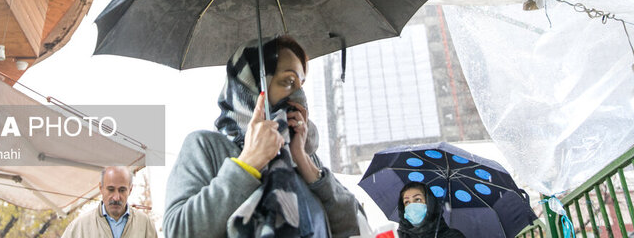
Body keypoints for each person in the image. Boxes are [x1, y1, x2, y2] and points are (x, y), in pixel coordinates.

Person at [163, 35, 361, 238]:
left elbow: (354, 225)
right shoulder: (205, 147)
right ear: (252, 84)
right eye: (288, 82)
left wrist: (304, 162)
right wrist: (247, 164)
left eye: (301, 85)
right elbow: (178, 231)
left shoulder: (302, 154)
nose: (300, 97)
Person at [62, 166, 158, 238]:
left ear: (130, 189)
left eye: (122, 190)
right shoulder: (79, 227)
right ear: (101, 188)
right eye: (111, 189)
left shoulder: (145, 224)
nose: (116, 197)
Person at [396, 182, 466, 238]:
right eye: (407, 202)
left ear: (430, 204)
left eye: (417, 199)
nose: (412, 206)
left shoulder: (452, 236)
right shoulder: (397, 235)